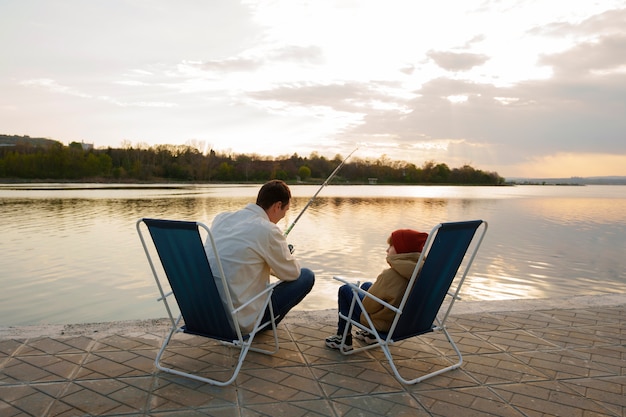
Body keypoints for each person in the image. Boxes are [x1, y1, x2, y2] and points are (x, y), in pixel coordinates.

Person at [205, 179, 315, 334]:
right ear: (277, 206)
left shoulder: (221, 219)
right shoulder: (268, 230)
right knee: (306, 276)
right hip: (239, 322)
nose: (284, 216)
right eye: (286, 210)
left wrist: (268, 259)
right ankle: (263, 325)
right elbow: (292, 274)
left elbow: (241, 259)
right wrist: (281, 255)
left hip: (207, 314)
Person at [325, 228, 428, 350]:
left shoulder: (390, 275)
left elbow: (368, 306)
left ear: (402, 250)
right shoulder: (424, 272)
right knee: (367, 286)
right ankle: (370, 335)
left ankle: (343, 338)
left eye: (391, 246)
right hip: (406, 323)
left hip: (384, 325)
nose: (387, 250)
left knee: (346, 289)